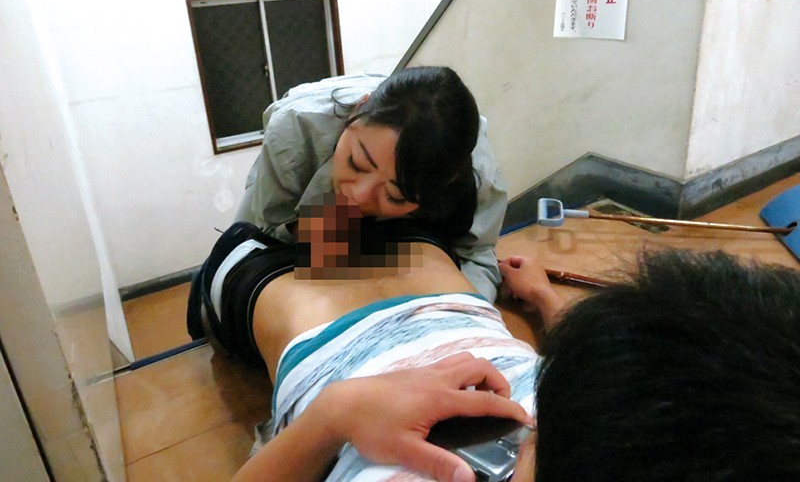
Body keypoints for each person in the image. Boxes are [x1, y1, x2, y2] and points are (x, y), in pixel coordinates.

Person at [230, 243, 800, 481]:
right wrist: (548, 300)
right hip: (451, 300)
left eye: (539, 433)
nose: (529, 426)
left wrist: (337, 411)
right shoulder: (627, 422)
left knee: (247, 255)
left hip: (324, 344)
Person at [187, 193, 539, 481]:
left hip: (297, 302)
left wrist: (336, 412)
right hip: (435, 278)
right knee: (358, 214)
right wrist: (545, 298)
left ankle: (228, 263)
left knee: (239, 251)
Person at [233, 66, 508, 301]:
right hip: (297, 188)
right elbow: (268, 230)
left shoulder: (476, 172)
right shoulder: (293, 131)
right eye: (357, 163)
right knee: (236, 261)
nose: (358, 195)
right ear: (360, 107)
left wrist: (468, 310)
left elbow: (477, 254)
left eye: (395, 195)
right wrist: (307, 230)